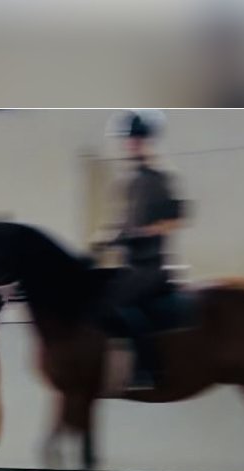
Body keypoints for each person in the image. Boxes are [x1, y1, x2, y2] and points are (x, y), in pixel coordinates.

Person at [99, 109, 187, 389]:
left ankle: (146, 368)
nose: (132, 144)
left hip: (152, 265)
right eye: (129, 139)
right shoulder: (127, 181)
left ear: (148, 141)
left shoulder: (159, 177)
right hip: (130, 264)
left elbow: (177, 217)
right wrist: (106, 238)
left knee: (114, 301)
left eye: (138, 139)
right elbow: (121, 223)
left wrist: (147, 231)